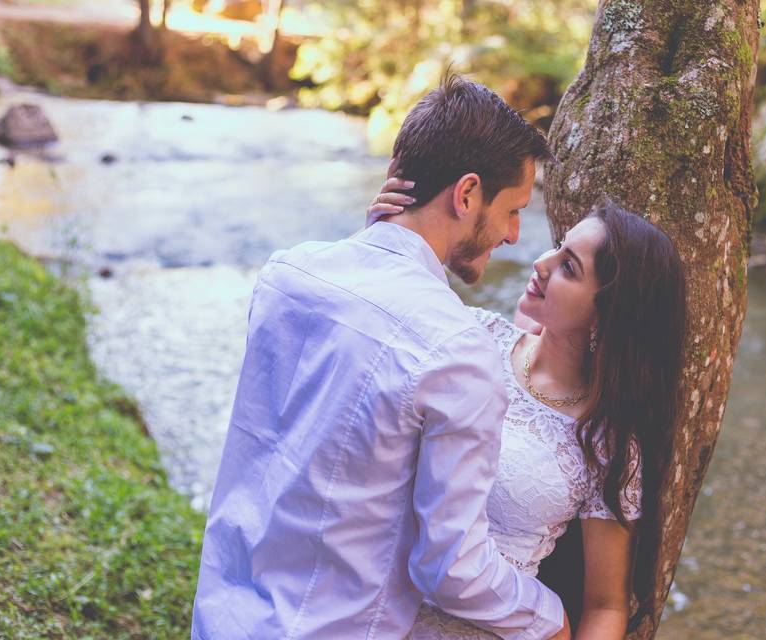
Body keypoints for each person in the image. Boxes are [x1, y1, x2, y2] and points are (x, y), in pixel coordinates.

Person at [191, 75, 571, 640]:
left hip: (222, 618)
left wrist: (379, 238)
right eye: (513, 210)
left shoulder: (287, 274)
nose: (516, 235)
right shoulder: (457, 351)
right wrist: (547, 616)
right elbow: (449, 570)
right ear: (467, 195)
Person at [367, 187, 688, 639]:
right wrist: (380, 243)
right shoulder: (471, 338)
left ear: (607, 315)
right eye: (558, 248)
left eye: (568, 268)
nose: (541, 263)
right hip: (372, 609)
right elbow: (367, 354)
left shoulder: (607, 442)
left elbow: (605, 606)